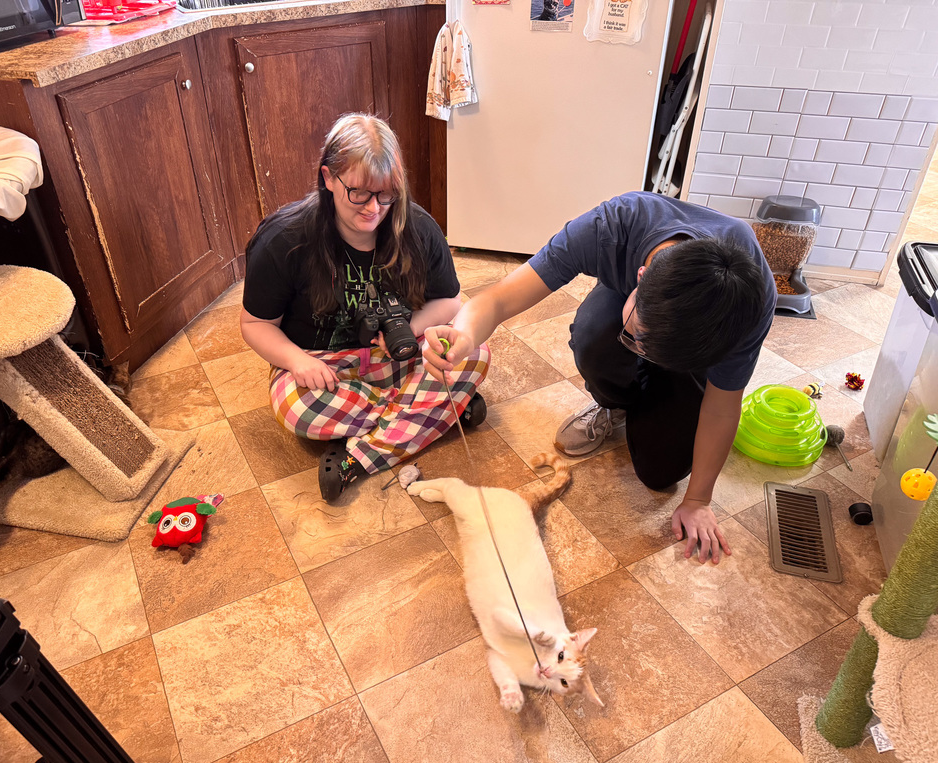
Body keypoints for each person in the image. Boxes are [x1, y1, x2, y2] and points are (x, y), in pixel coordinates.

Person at [423, 192, 776, 564]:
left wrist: (699, 499)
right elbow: (498, 299)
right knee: (595, 338)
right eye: (638, 340)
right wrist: (464, 334)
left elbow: (721, 408)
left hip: (692, 334)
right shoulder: (612, 227)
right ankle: (615, 403)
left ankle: (659, 388)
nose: (643, 352)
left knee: (661, 473)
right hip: (633, 298)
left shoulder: (747, 308)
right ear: (639, 278)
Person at [240, 113, 489, 502]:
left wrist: (411, 326)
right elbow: (255, 324)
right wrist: (296, 361)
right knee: (295, 407)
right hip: (324, 364)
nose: (374, 208)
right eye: (359, 193)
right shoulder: (283, 239)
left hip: (397, 353)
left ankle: (357, 456)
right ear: (328, 178)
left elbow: (449, 301)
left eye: (386, 194)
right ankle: (441, 407)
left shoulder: (419, 227)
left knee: (474, 350)